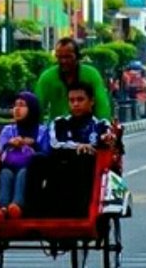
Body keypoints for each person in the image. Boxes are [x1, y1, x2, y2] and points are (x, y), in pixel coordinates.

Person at [42, 82, 113, 217]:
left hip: (88, 173)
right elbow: (55, 144)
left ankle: (81, 211)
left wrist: (104, 141)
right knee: (38, 160)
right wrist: (78, 146)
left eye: (80, 100)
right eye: (72, 100)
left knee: (84, 158)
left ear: (91, 101)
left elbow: (108, 141)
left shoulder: (101, 125)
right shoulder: (59, 123)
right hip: (61, 167)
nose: (75, 104)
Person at [0, 92, 50, 222]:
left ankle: (17, 205)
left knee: (23, 173)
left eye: (22, 105)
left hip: (32, 171)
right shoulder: (8, 130)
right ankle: (3, 208)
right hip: (10, 166)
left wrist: (33, 144)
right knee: (5, 174)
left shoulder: (42, 131)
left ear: (32, 109)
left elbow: (47, 153)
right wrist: (10, 143)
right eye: (15, 105)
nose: (17, 109)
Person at [35, 37, 111, 121]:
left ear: (78, 56)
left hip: (86, 129)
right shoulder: (47, 77)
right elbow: (37, 107)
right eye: (60, 57)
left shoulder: (91, 74)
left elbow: (102, 105)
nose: (64, 61)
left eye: (68, 57)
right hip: (57, 130)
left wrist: (103, 127)